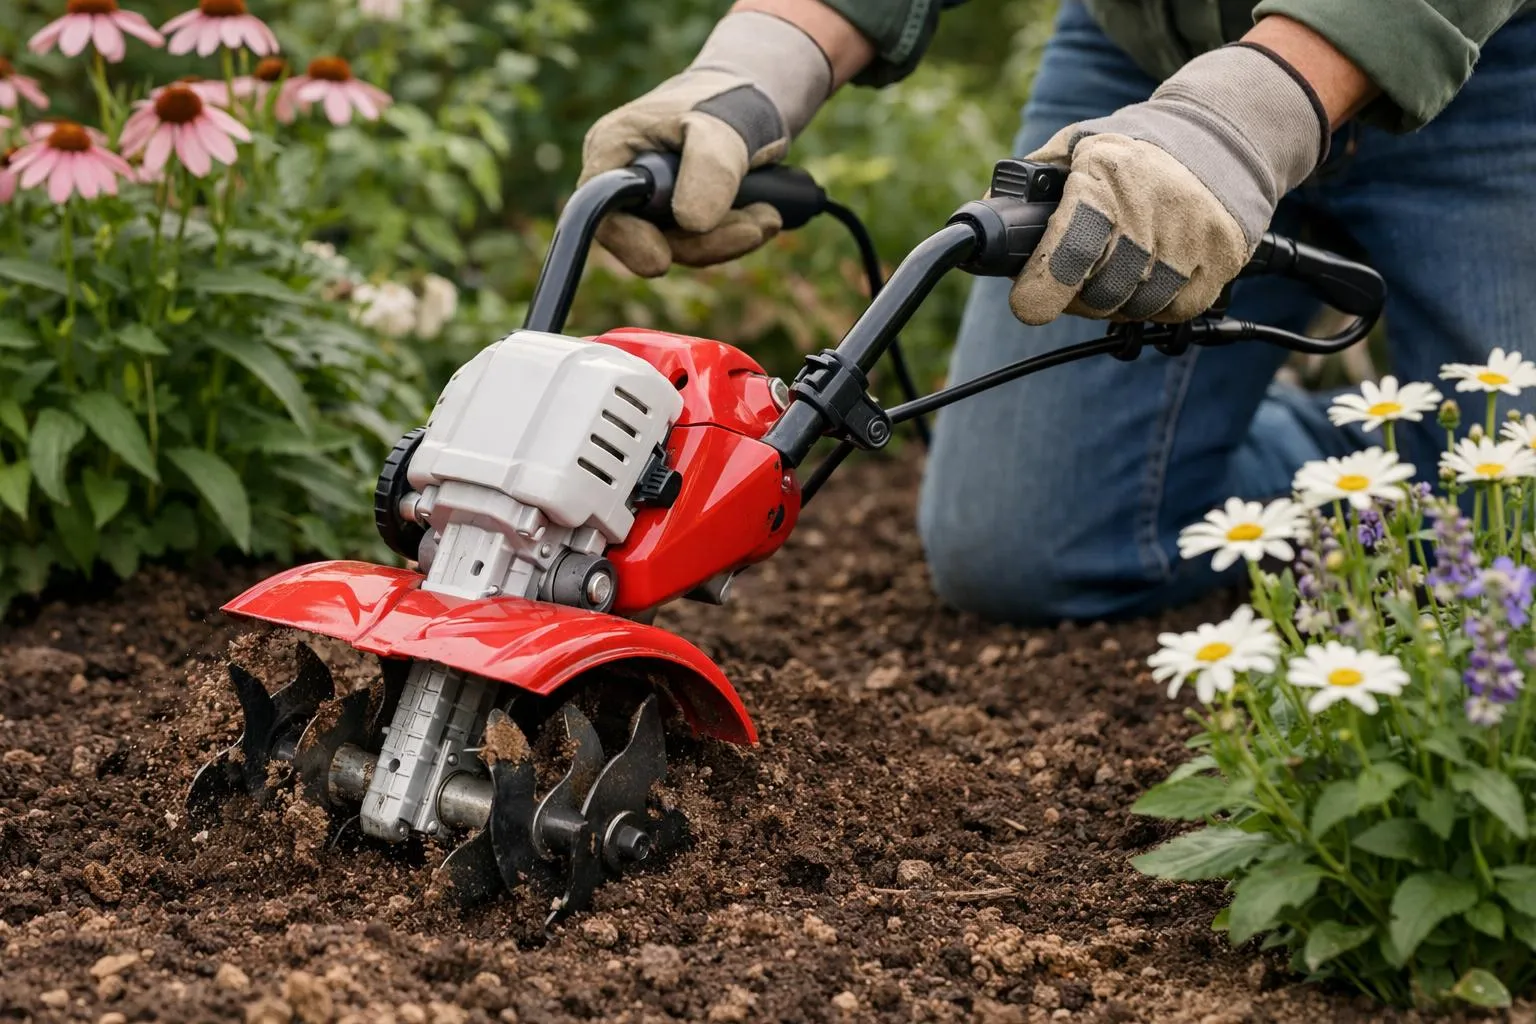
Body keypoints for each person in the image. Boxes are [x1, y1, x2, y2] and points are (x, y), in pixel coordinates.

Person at [579, 0, 1536, 624]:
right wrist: (764, 61)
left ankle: (1429, 447)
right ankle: (1344, 450)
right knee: (1020, 552)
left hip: (1493, 64)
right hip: (1157, 60)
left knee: (1512, 544)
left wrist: (1247, 119)